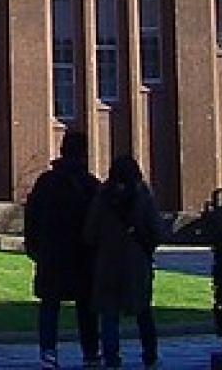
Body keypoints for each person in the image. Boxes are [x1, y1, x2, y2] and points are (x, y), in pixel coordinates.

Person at [23, 129, 100, 370]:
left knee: (49, 305)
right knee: (86, 307)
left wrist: (34, 247)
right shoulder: (90, 185)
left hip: (52, 255)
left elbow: (31, 217)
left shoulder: (46, 182)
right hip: (82, 256)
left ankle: (48, 352)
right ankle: (90, 353)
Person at [83, 153, 165, 370]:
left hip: (107, 263)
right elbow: (157, 231)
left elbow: (89, 233)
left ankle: (111, 358)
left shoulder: (102, 198)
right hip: (136, 263)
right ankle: (150, 355)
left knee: (109, 315)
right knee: (143, 311)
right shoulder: (143, 197)